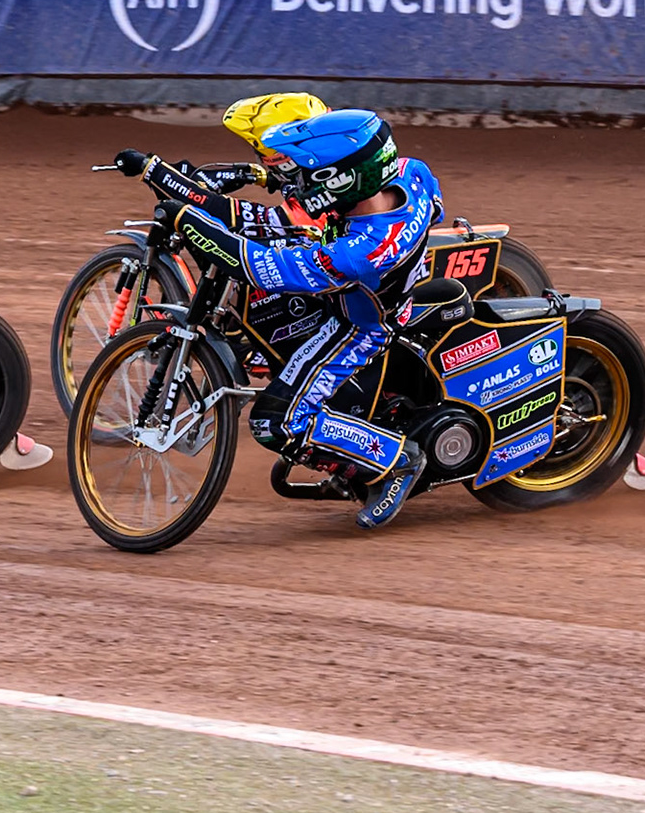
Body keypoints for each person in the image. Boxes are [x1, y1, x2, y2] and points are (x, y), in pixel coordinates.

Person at [149, 108, 442, 529]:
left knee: (273, 422)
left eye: (308, 175)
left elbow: (255, 264)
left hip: (358, 328)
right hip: (366, 291)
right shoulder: (412, 174)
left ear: (341, 180)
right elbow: (432, 208)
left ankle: (394, 460)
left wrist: (187, 219)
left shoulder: (361, 253)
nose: (297, 184)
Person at [125, 91, 331, 239]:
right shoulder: (330, 175)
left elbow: (228, 213)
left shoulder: (317, 201)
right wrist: (267, 178)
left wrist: (154, 170)